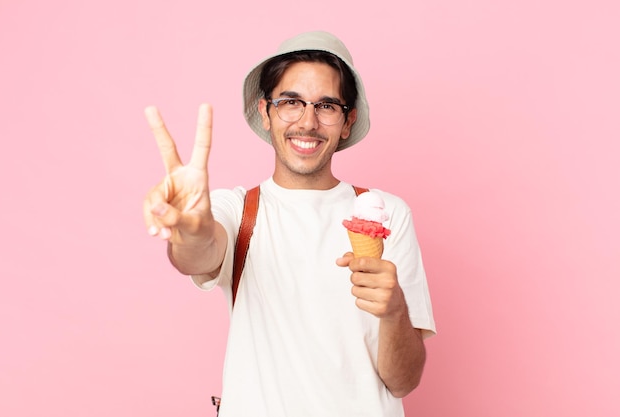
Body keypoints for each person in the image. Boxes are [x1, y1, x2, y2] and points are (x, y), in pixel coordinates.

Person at [143, 31, 436, 417]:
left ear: (347, 121)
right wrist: (190, 228)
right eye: (291, 102)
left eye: (327, 106)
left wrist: (395, 310)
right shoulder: (238, 210)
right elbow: (197, 254)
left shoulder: (387, 214)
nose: (308, 122)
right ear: (266, 113)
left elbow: (403, 381)